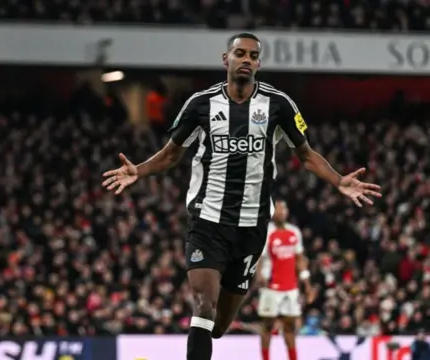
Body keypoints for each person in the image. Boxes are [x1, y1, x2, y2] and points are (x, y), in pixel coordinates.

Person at [101, 32, 382, 360]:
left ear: (258, 64)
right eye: (240, 53)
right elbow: (170, 154)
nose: (246, 59)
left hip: (252, 227)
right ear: (226, 59)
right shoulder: (201, 104)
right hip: (208, 222)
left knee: (218, 326)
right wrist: (139, 170)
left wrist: (338, 180)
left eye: (252, 55)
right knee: (203, 307)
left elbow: (306, 154)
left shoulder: (278, 105)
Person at [256, 200, 314, 360]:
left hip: (291, 287)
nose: (282, 212)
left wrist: (307, 283)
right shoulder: (266, 232)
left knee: (289, 327)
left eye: (284, 208)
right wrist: (259, 275)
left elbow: (299, 258)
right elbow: (259, 257)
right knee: (267, 325)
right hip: (271, 286)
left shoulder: (294, 232)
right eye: (279, 209)